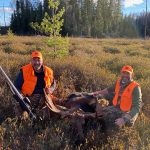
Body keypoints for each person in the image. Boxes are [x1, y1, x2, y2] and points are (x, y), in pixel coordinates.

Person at [14, 50, 57, 120]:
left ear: (42, 61)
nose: (36, 63)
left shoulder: (48, 71)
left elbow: (54, 83)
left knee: (60, 107)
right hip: (29, 98)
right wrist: (21, 97)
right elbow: (16, 87)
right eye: (34, 60)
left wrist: (51, 89)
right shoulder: (24, 71)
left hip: (45, 98)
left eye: (38, 60)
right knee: (18, 107)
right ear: (31, 61)